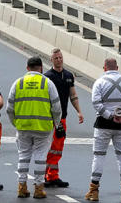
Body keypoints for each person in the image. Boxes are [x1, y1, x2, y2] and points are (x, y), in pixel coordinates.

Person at [86, 58, 121, 202]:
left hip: (103, 124)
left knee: (99, 156)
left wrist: (110, 116)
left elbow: (96, 103)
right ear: (117, 67)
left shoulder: (99, 82)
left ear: (104, 68)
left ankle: (94, 191)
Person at [7, 56, 62, 199]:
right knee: (40, 157)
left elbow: (9, 108)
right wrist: (56, 123)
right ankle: (38, 188)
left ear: (27, 68)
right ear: (41, 68)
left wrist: (16, 123)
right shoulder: (47, 83)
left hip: (23, 127)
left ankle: (22, 186)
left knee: (23, 156)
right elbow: (56, 108)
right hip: (43, 128)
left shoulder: (18, 83)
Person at [44, 48, 85, 188]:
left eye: (60, 57)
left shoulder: (68, 75)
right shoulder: (47, 76)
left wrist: (79, 111)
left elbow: (73, 95)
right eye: (56, 58)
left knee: (58, 148)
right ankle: (48, 175)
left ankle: (52, 175)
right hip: (50, 119)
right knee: (50, 147)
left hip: (63, 118)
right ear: (51, 60)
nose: (59, 60)